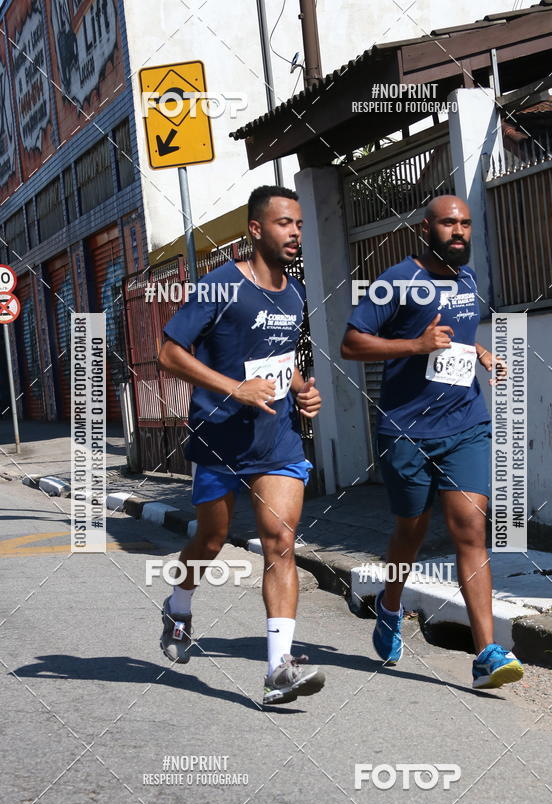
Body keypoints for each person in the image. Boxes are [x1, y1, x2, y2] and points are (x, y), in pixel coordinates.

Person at [341, 195, 524, 690]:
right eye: (448, 223)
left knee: (469, 528)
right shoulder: (395, 282)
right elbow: (351, 343)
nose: (459, 230)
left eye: (465, 223)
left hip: (465, 423)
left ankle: (487, 652)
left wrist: (480, 352)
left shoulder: (466, 279)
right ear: (426, 228)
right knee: (411, 533)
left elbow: (456, 337)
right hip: (406, 431)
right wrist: (415, 345)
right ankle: (390, 603)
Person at [158, 185, 325, 706]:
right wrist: (234, 388)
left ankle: (279, 669)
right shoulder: (221, 284)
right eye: (283, 223)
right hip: (219, 436)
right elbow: (167, 351)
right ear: (256, 230)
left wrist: (302, 389)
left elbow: (277, 359)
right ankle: (178, 603)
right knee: (211, 539)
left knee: (279, 540)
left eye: (297, 223)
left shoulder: (295, 295)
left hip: (276, 440)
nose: (295, 232)